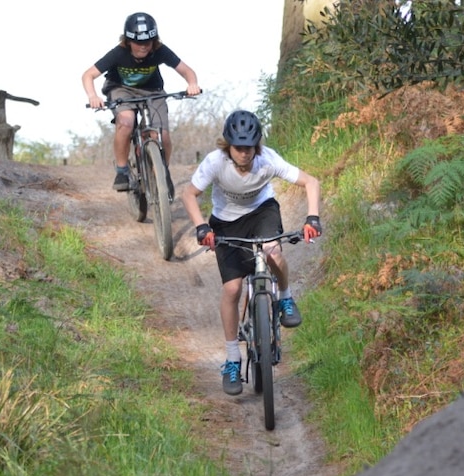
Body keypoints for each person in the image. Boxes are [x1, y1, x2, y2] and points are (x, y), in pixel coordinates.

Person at [181, 110, 323, 396]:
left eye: (249, 147)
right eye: (238, 148)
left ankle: (284, 298)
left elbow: (312, 182)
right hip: (225, 221)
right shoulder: (215, 163)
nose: (244, 154)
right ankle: (233, 358)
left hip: (262, 213)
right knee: (232, 289)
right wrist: (200, 227)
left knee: (273, 252)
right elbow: (188, 194)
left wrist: (312, 218)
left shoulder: (267, 160)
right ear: (228, 146)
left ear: (257, 145)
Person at [82, 12, 201, 196]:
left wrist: (192, 84)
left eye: (148, 42)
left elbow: (187, 71)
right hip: (121, 89)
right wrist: (93, 96)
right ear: (128, 41)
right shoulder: (118, 53)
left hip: (152, 91)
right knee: (126, 122)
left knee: (163, 135)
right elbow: (88, 75)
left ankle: (162, 171)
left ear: (154, 40)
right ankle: (122, 171)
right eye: (138, 43)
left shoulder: (159, 51)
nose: (143, 47)